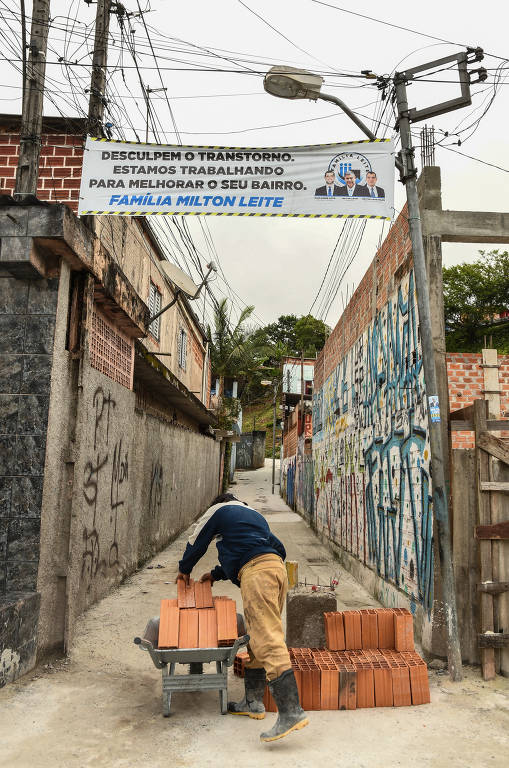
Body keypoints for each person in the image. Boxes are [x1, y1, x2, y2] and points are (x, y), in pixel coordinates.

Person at [176, 492, 309, 743]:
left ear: (220, 503)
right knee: (257, 638)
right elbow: (275, 548)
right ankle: (253, 702)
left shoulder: (219, 510)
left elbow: (196, 541)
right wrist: (216, 574)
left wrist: (184, 569)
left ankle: (291, 711)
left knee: (267, 638)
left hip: (257, 575)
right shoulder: (253, 515)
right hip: (276, 570)